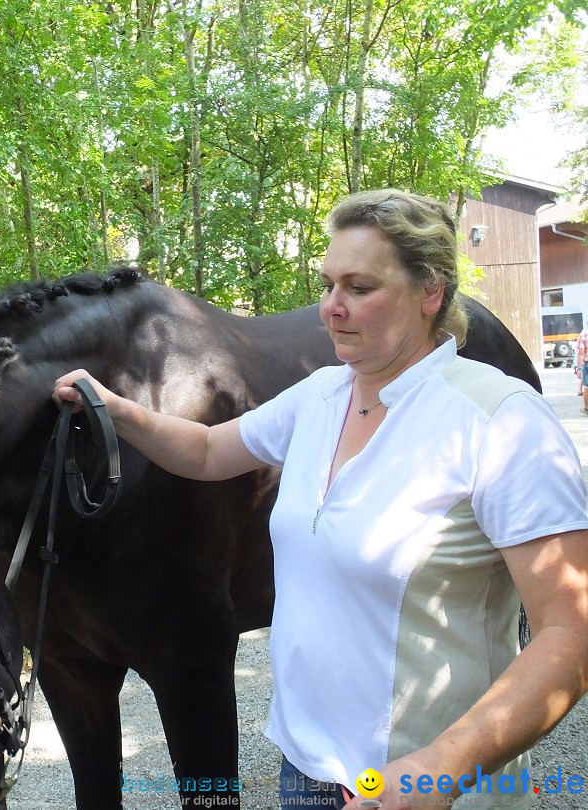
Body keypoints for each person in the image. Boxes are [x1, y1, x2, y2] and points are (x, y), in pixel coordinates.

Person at [54, 189, 588, 809]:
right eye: (328, 285)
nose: (331, 308)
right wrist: (114, 408)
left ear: (431, 292)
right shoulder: (323, 396)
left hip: (428, 786)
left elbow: (569, 636)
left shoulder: (499, 421)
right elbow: (204, 450)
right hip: (306, 774)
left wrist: (442, 765)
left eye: (359, 288)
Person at [575, 322, 588, 408]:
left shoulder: (584, 335)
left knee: (587, 387)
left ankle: (586, 408)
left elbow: (581, 354)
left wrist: (579, 368)